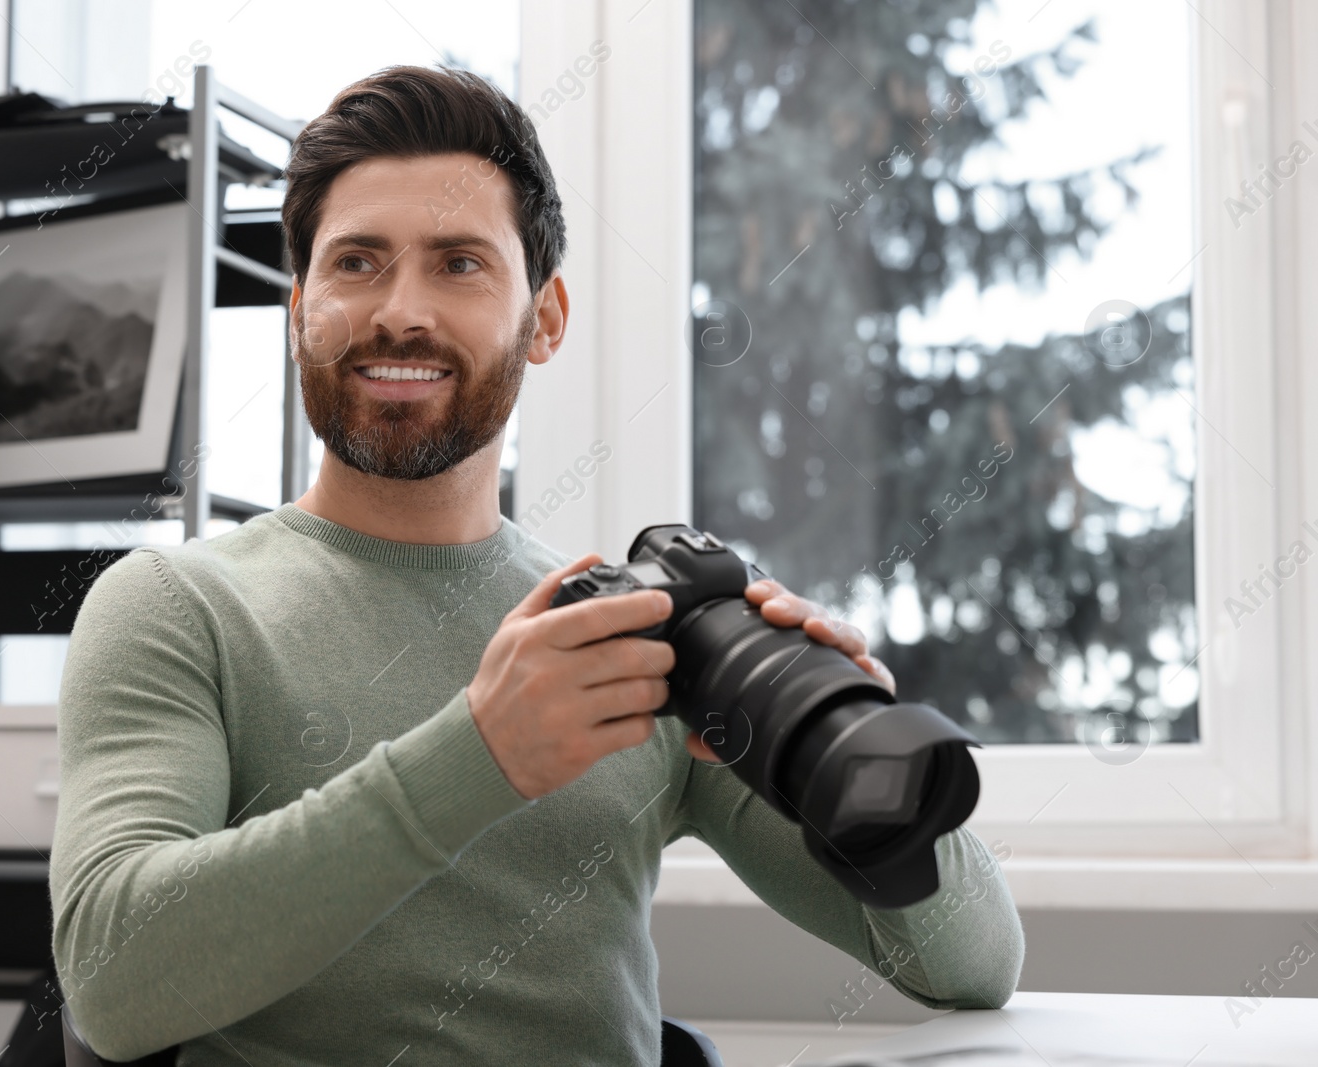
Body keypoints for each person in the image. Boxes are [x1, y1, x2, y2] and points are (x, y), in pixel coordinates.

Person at [50, 64, 1024, 1065]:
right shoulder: (173, 607)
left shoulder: (630, 639)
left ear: (544, 318)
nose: (400, 312)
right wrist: (481, 753)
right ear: (300, 310)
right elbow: (113, 984)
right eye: (356, 264)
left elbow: (974, 965)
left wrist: (847, 731)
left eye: (459, 264)